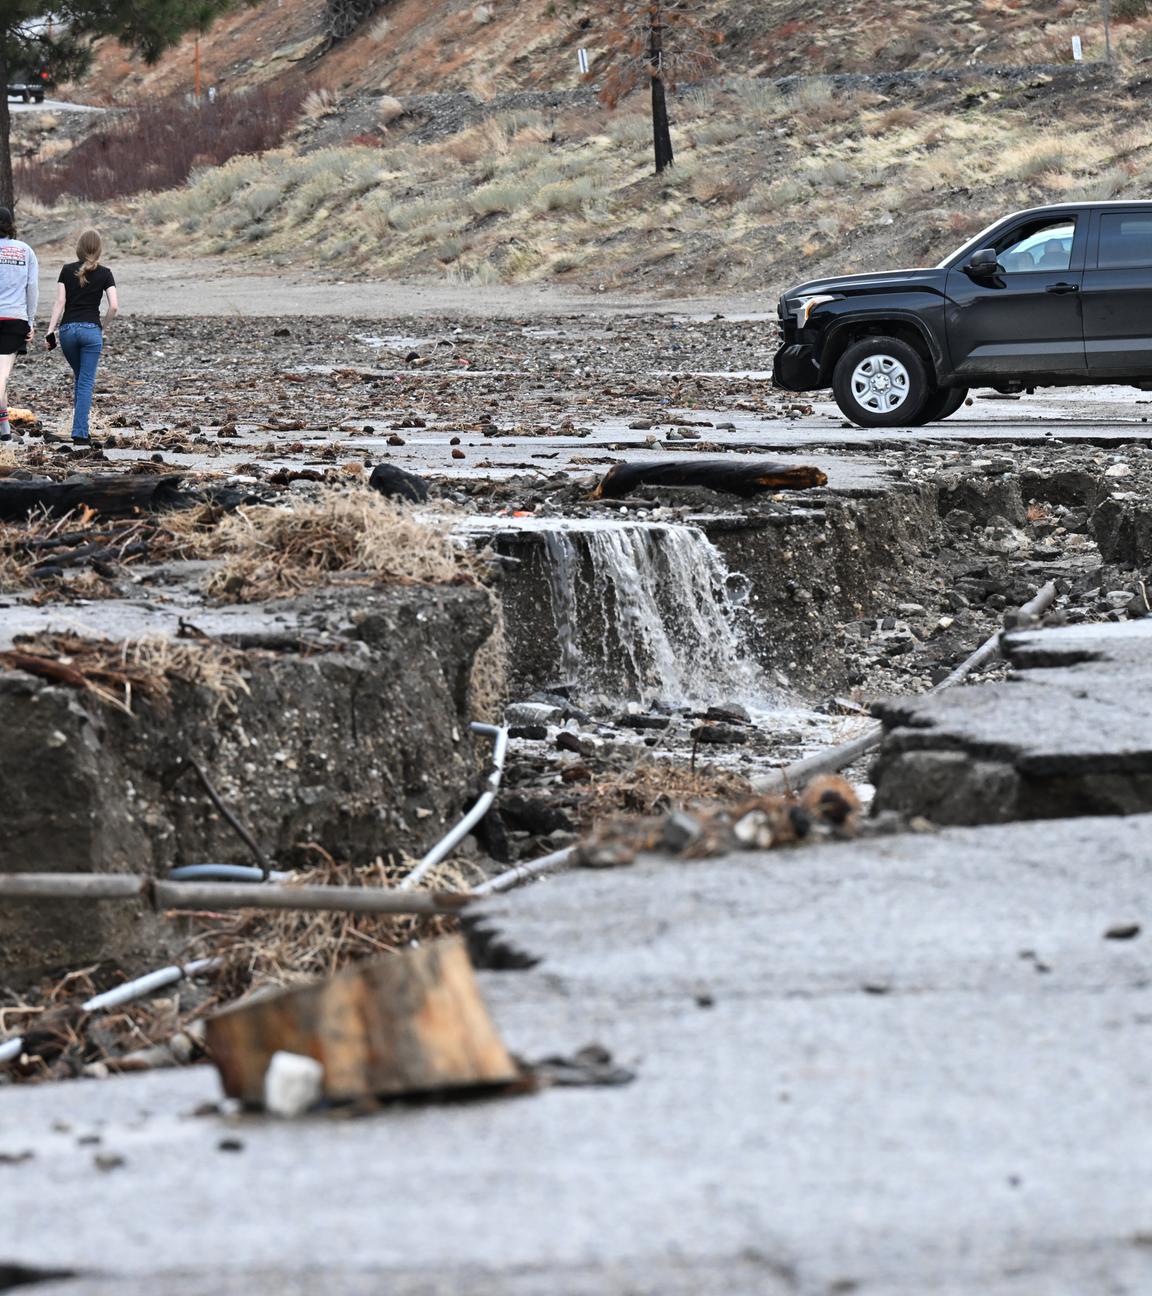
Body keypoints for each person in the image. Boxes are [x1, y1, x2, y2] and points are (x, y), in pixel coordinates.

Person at [45, 228, 118, 448]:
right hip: (90, 331)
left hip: (67, 331)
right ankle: (80, 433)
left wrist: (50, 330)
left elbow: (59, 303)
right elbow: (114, 306)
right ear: (98, 249)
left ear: (79, 248)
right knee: (85, 381)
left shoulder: (66, 270)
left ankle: (78, 427)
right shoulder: (106, 273)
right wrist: (101, 328)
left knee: (80, 378)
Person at [0, 206, 38, 443]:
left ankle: (4, 430)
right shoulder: (26, 251)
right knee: (2, 377)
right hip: (15, 319)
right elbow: (32, 289)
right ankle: (4, 432)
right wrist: (30, 321)